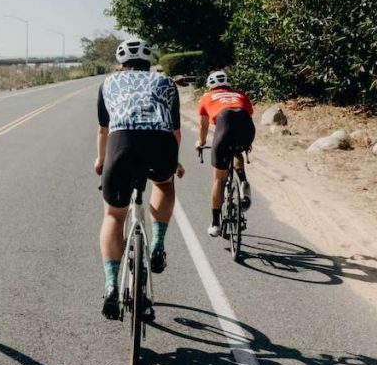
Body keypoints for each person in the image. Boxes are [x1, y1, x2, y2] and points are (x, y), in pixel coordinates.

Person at [94, 39, 184, 320]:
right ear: (149, 61)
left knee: (113, 215)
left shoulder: (108, 83)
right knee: (164, 183)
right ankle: (157, 245)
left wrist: (100, 161)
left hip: (121, 145)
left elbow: (103, 129)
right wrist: (174, 161)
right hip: (160, 144)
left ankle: (111, 285)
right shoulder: (166, 83)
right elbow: (175, 129)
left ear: (120, 63)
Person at [194, 70, 256, 237]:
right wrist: (247, 143)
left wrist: (201, 142)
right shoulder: (241, 95)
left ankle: (215, 223)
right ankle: (243, 181)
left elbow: (203, 127)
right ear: (228, 84)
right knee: (237, 149)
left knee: (219, 179)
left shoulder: (206, 97)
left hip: (225, 125)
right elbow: (248, 117)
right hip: (246, 128)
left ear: (210, 86)